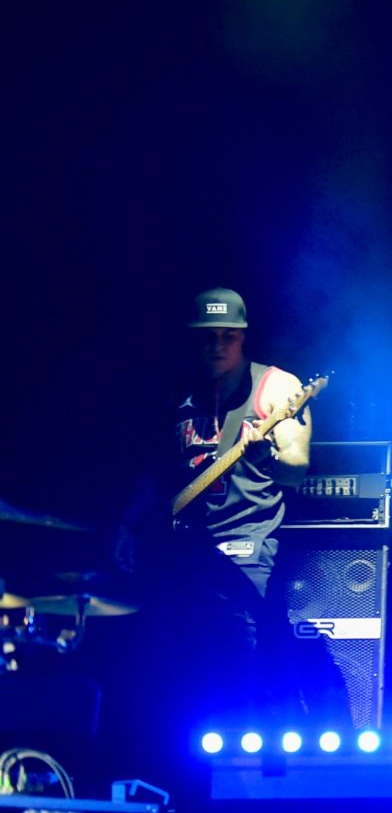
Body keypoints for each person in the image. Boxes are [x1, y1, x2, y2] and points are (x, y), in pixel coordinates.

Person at [130, 287, 327, 728]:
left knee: (240, 640)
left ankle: (250, 734)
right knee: (175, 656)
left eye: (228, 336)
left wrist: (264, 457)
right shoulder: (180, 393)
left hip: (246, 541)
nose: (216, 346)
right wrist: (126, 525)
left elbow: (296, 469)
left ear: (243, 336)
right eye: (207, 337)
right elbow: (155, 471)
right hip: (184, 547)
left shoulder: (278, 387)